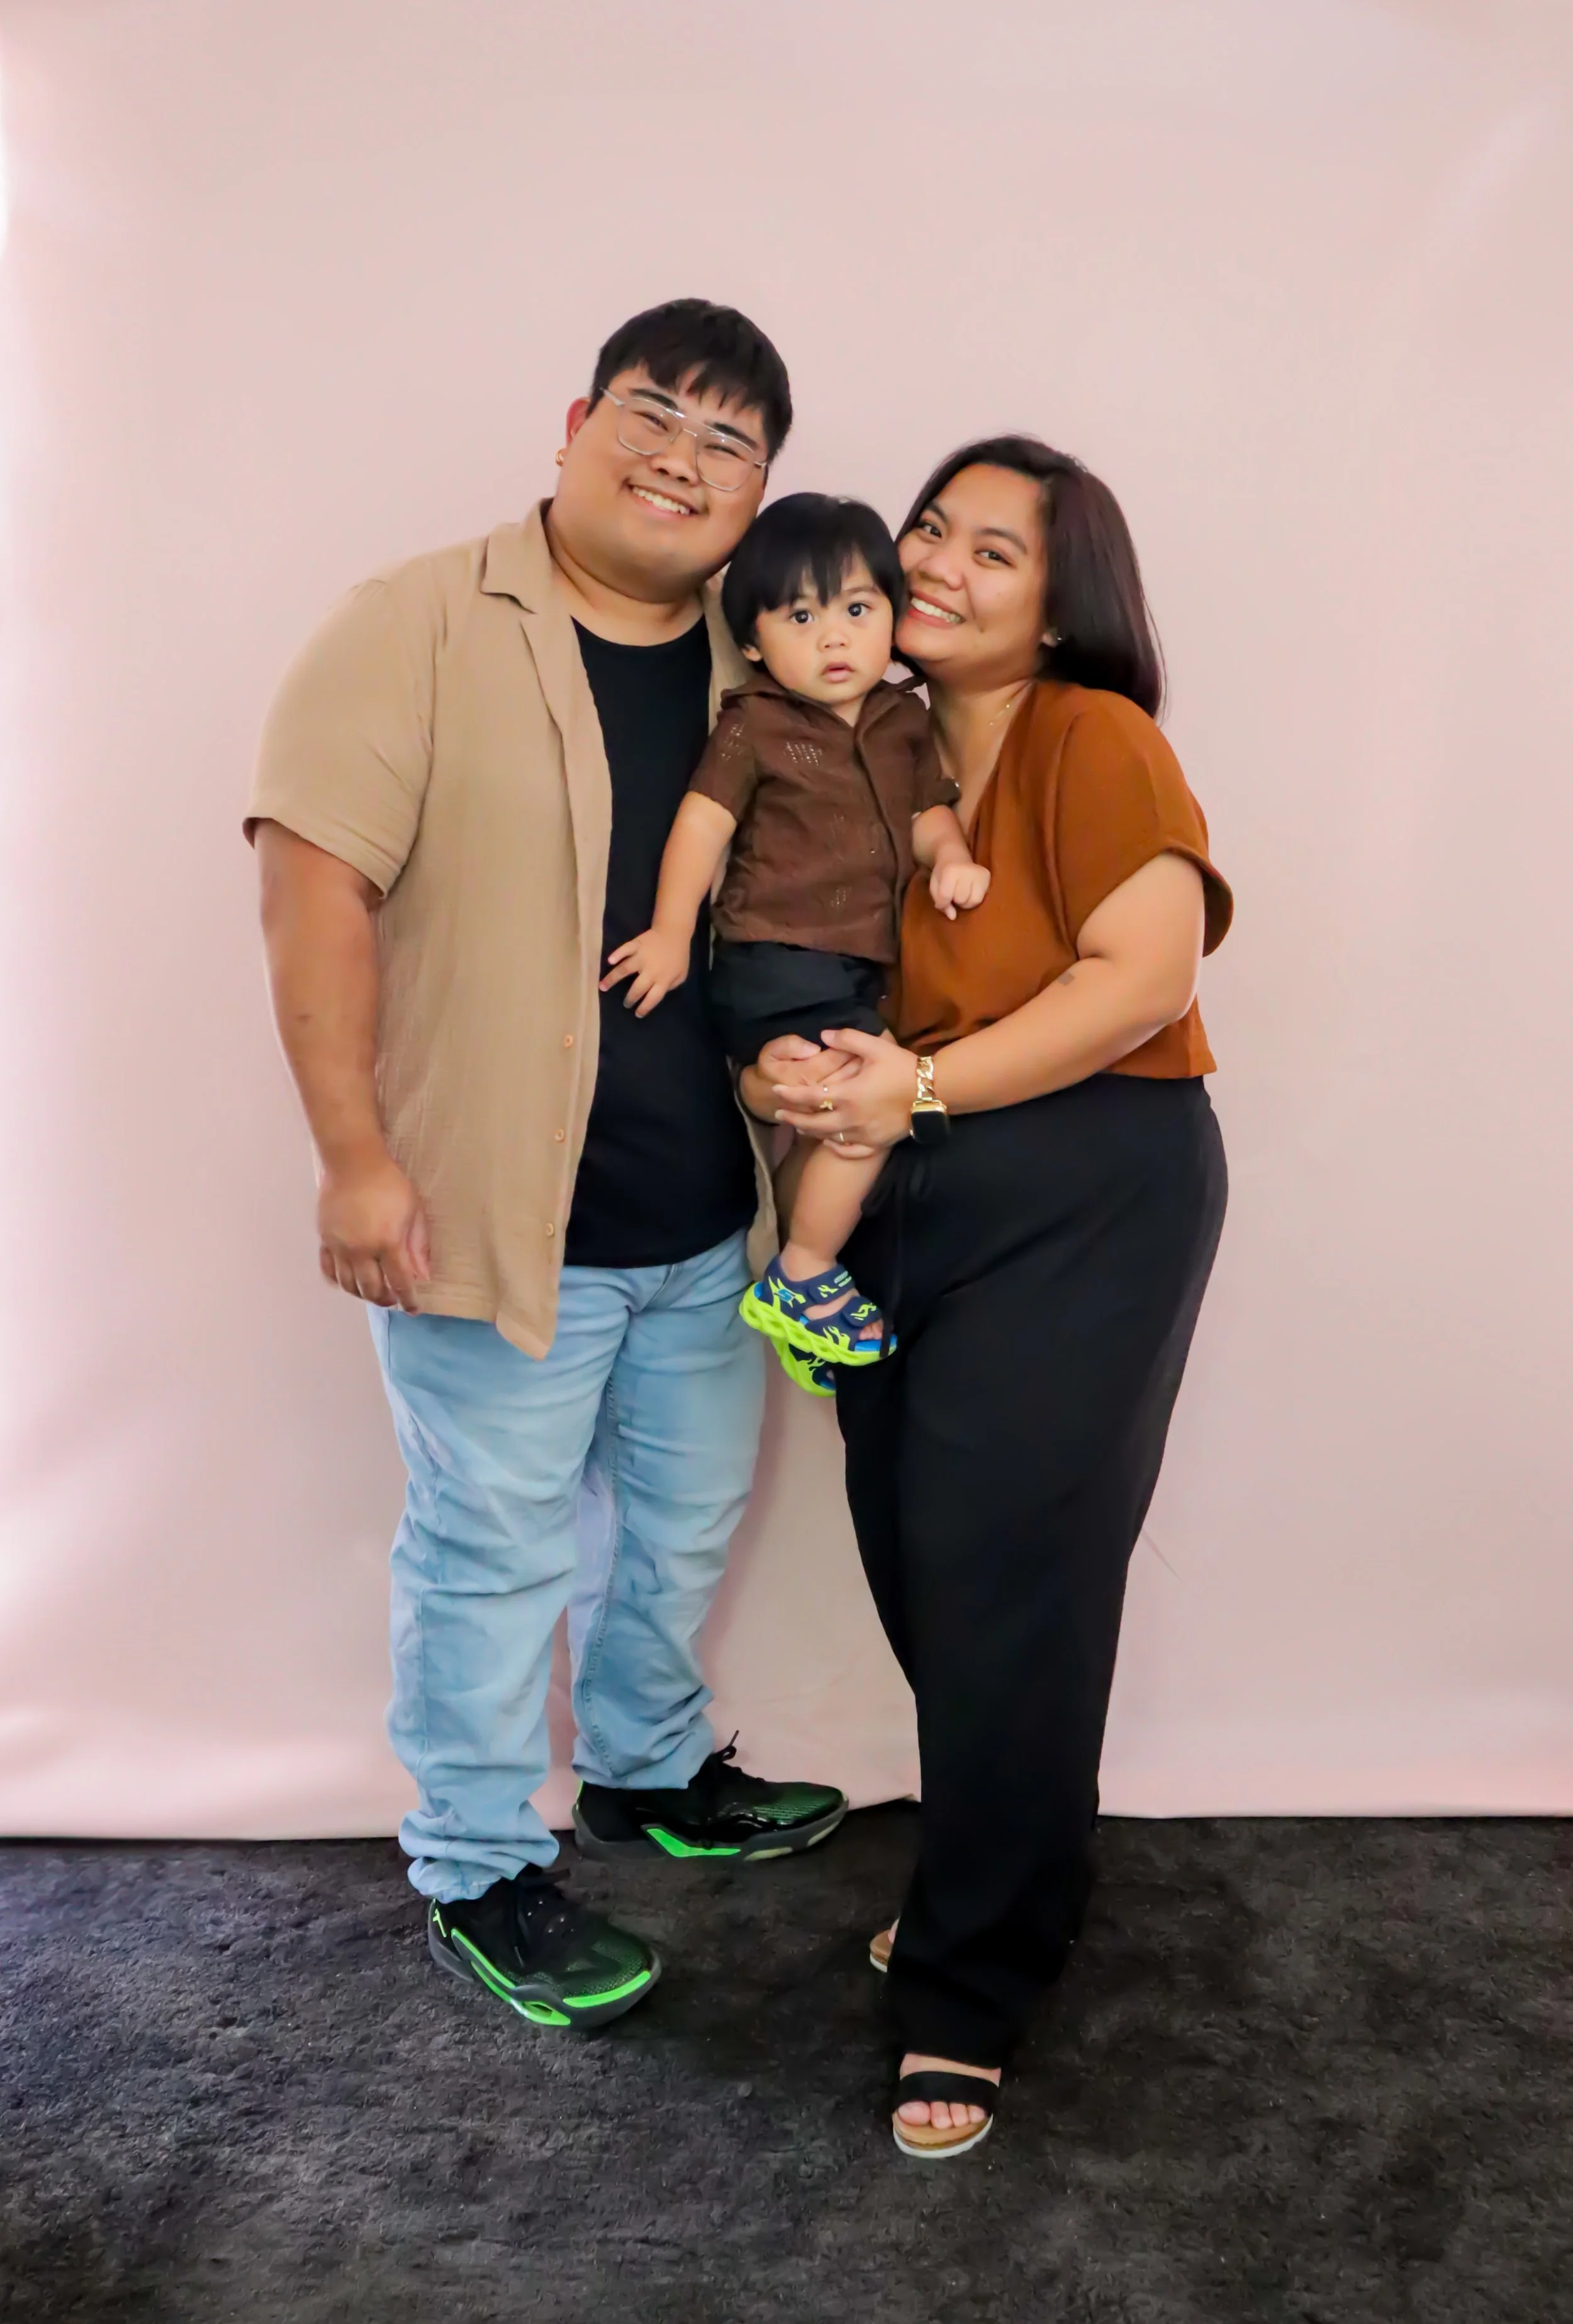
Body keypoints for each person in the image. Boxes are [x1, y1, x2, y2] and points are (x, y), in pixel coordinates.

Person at [248, 298, 848, 2037]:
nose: (683, 455)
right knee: (492, 1548)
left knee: (679, 1521)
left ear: (757, 495)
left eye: (729, 440)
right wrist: (351, 1156)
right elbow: (312, 893)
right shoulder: (416, 622)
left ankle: (652, 1764)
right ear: (577, 421)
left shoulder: (759, 662)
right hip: (488, 1217)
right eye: (655, 413)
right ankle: (474, 1858)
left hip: (701, 1217)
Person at [747, 437, 1233, 2157]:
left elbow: (1141, 973)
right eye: (930, 527)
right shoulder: (854, 746)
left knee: (1002, 1566)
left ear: (1061, 601)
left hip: (1083, 1187)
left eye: (994, 551)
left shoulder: (1090, 736)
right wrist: (812, 1085)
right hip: (895, 1191)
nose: (939, 561)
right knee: (917, 1548)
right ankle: (1007, 1867)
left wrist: (921, 1094)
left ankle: (967, 1982)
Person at [603, 493, 987, 1390]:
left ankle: (804, 1285)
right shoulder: (755, 723)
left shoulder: (904, 721)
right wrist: (668, 932)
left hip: (854, 967)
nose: (835, 639)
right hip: (777, 955)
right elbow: (700, 827)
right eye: (802, 617)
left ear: (894, 615)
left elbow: (931, 813)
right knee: (863, 1114)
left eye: (858, 610)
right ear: (753, 641)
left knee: (830, 1111)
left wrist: (954, 858)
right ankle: (803, 1272)